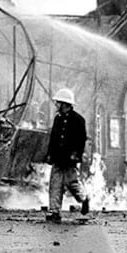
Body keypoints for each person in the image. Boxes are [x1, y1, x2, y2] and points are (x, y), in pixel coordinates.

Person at [44, 88, 90, 223]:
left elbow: (81, 140)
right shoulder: (58, 119)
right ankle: (54, 211)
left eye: (59, 103)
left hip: (70, 159)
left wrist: (76, 155)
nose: (57, 105)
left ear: (65, 104)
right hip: (58, 158)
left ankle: (84, 199)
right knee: (55, 184)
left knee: (72, 184)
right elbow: (53, 138)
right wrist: (49, 155)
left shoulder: (78, 120)